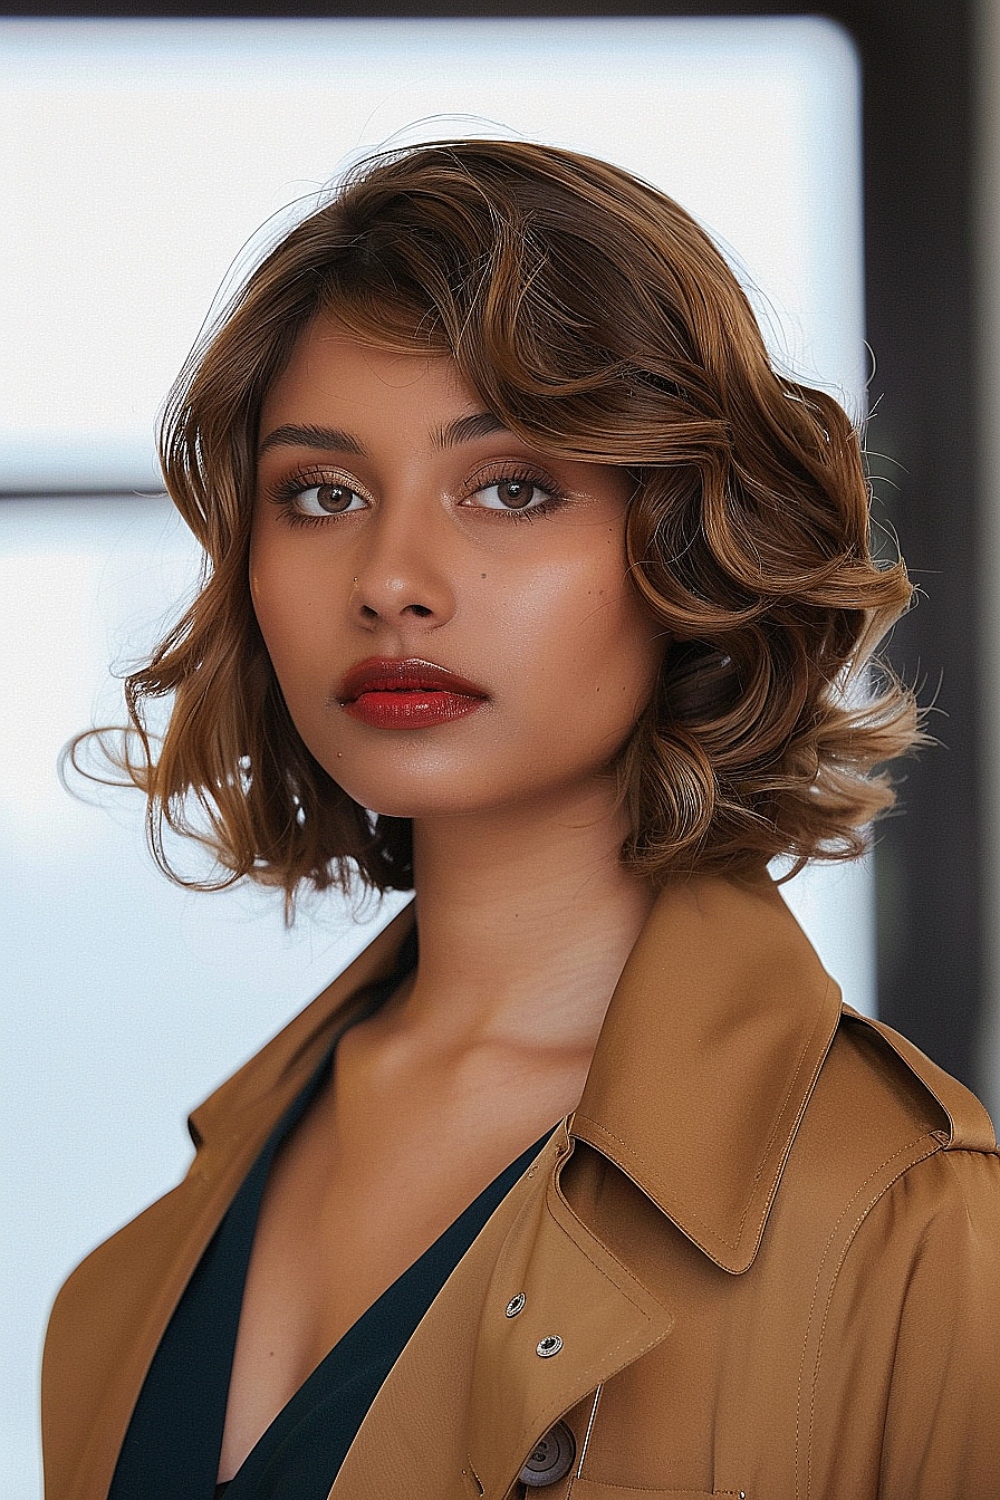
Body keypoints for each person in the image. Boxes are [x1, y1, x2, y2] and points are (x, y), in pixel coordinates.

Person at [42, 139, 999, 1500]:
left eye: (511, 487)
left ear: (687, 541)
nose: (392, 580)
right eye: (322, 494)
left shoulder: (912, 1220)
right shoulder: (127, 1277)